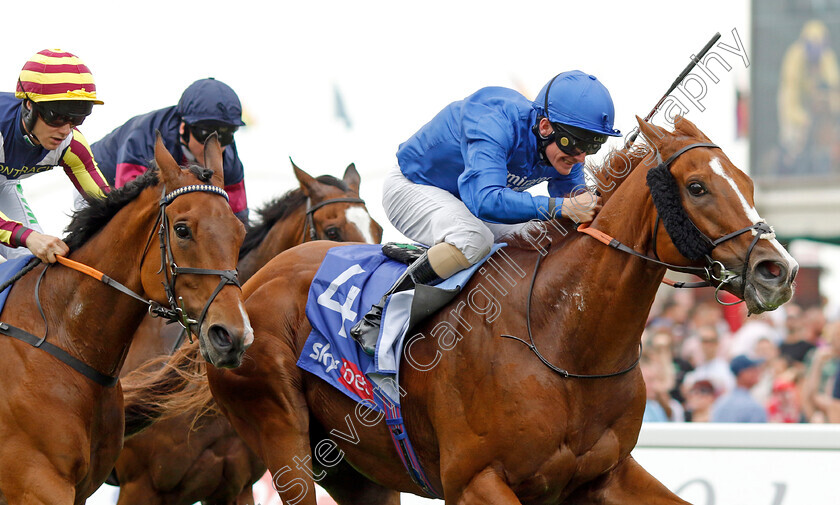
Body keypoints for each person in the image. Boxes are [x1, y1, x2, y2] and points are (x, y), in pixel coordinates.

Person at [350, 70, 621, 354]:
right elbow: (484, 200)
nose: (581, 156)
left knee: (539, 237)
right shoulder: (493, 120)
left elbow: (575, 204)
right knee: (474, 239)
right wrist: (561, 207)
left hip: (463, 202)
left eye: (593, 144)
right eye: (576, 143)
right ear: (544, 127)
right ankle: (381, 315)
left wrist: (599, 205)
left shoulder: (563, 145)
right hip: (412, 186)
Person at [0, 49, 109, 263]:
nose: (66, 130)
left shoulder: (72, 145)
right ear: (29, 105)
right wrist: (26, 235)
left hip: (4, 183)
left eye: (77, 118)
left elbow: (108, 203)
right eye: (57, 117)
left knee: (31, 260)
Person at [90, 78, 249, 224]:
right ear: (183, 127)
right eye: (205, 134)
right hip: (100, 178)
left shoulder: (228, 159)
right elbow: (130, 207)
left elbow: (238, 216)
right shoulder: (144, 138)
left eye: (227, 135)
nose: (216, 146)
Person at [710, 355, 768, 423]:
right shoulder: (753, 407)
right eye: (752, 369)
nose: (757, 372)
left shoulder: (720, 402)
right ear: (742, 373)